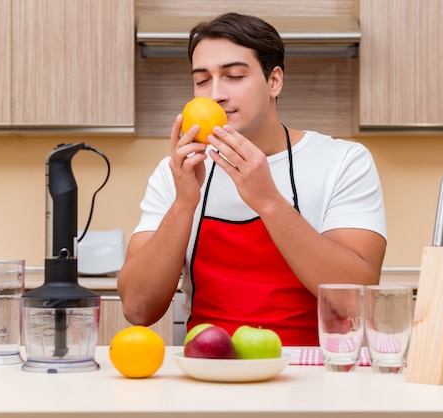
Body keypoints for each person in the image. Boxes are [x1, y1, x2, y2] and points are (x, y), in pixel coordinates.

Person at [117, 12, 387, 346]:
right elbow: (137, 308)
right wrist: (184, 202)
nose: (215, 94)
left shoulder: (344, 162)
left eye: (233, 76)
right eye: (202, 80)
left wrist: (268, 200)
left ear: (274, 81)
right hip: (209, 371)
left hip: (315, 375)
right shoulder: (175, 172)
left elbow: (353, 302)